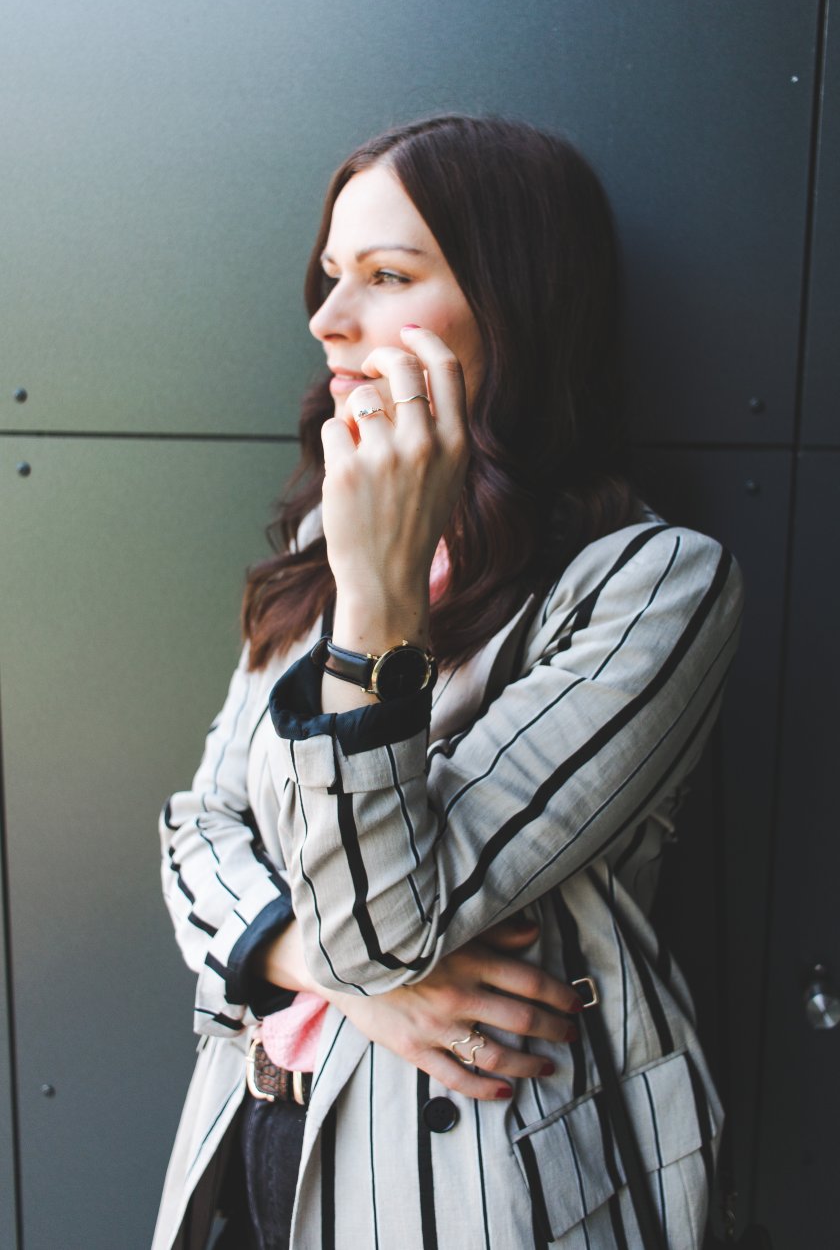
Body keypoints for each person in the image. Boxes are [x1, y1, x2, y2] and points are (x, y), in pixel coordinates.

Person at [154, 114, 743, 1250]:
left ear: (514, 307)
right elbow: (197, 830)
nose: (329, 321)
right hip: (259, 1136)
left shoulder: (650, 585)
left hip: (475, 1191)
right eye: (332, 278)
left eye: (386, 276)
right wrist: (305, 959)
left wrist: (375, 608)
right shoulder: (320, 548)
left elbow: (392, 929)